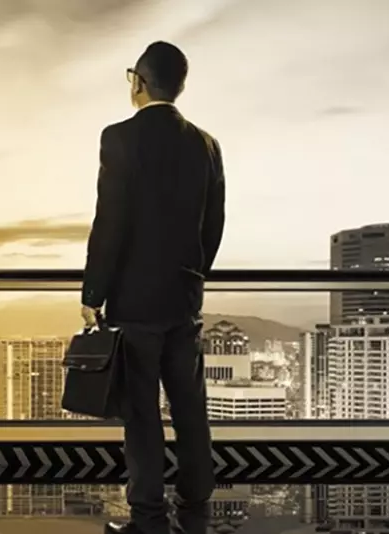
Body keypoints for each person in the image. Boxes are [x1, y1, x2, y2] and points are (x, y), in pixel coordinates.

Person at [80, 41, 226, 534]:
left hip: (135, 298)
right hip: (184, 296)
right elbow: (214, 224)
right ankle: (197, 497)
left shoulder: (119, 138)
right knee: (189, 403)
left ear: (138, 82)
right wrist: (193, 272)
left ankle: (147, 516)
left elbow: (111, 221)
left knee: (141, 410)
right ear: (178, 85)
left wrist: (93, 293)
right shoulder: (206, 144)